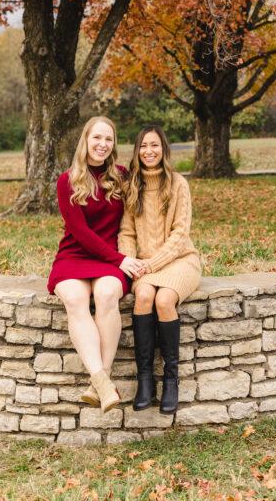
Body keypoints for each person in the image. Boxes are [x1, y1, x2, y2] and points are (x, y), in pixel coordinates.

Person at [47, 116, 148, 412]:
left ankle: (99, 383)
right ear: (86, 141)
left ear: (114, 144)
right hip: (74, 256)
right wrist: (120, 259)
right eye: (97, 138)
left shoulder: (121, 176)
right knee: (76, 299)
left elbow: (139, 212)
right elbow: (80, 232)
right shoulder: (67, 180)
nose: (103, 144)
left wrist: (127, 257)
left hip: (109, 259)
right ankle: (105, 383)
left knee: (105, 295)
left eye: (109, 139)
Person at [118, 124, 201, 414]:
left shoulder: (178, 184)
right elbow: (126, 232)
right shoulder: (131, 186)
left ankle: (171, 380)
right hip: (143, 266)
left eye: (154, 145)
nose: (148, 151)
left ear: (163, 149)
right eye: (143, 146)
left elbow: (180, 235)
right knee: (143, 298)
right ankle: (144, 380)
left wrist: (152, 264)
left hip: (180, 261)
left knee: (164, 299)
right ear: (137, 151)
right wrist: (131, 262)